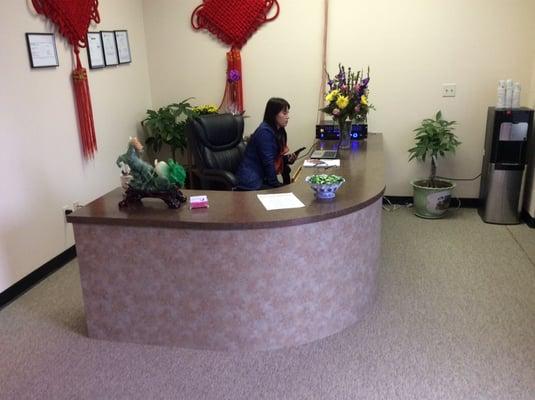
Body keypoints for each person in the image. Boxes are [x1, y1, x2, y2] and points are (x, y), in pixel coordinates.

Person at [235, 97, 298, 190]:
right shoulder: (264, 132)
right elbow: (268, 163)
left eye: (287, 113)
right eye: (284, 113)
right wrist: (277, 186)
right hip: (251, 181)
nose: (287, 116)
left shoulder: (278, 130)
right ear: (273, 114)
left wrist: (286, 159)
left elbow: (273, 157)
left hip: (262, 178)